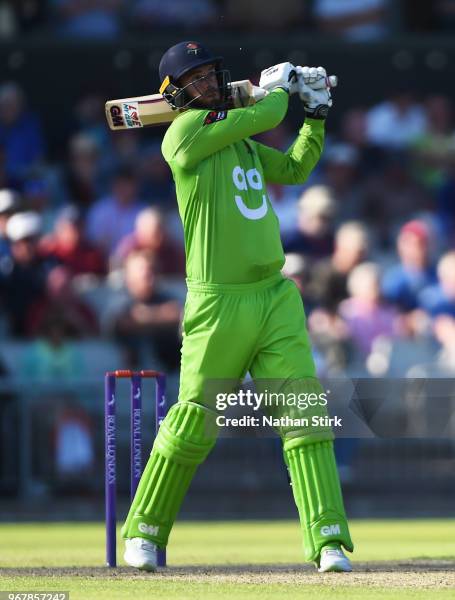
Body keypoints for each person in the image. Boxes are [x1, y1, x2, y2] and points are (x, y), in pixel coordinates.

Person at [121, 42, 353, 573]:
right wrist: (281, 89)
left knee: (305, 413)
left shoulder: (242, 143)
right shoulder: (182, 137)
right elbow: (268, 111)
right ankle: (145, 533)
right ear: (174, 95)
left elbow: (295, 169)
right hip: (217, 302)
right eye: (195, 80)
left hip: (274, 295)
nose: (207, 85)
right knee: (193, 421)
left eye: (211, 75)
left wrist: (314, 112)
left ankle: (329, 541)